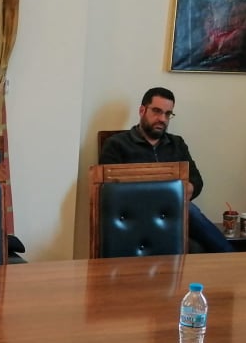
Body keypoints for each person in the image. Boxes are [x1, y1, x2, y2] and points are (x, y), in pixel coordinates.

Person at [99, 87, 234, 253]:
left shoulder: (177, 143)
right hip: (134, 215)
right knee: (188, 209)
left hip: (172, 216)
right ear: (142, 111)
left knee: (196, 245)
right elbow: (106, 189)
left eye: (168, 114)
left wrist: (189, 188)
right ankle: (231, 255)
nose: (162, 119)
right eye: (157, 111)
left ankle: (230, 259)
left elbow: (196, 179)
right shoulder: (116, 144)